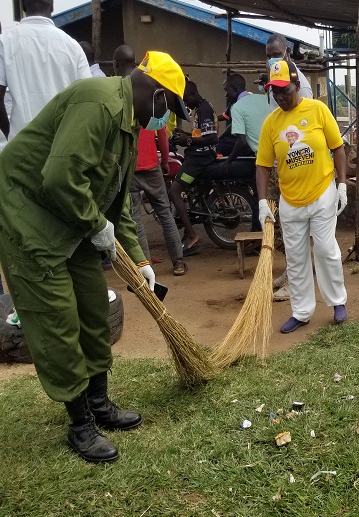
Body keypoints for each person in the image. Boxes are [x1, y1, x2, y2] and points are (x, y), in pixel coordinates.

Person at [0, 50, 190, 463]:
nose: (167, 120)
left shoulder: (126, 127)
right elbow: (58, 178)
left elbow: (116, 201)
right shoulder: (98, 101)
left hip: (72, 221)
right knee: (59, 319)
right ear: (156, 94)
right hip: (31, 217)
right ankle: (80, 423)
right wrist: (95, 224)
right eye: (169, 108)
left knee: (92, 307)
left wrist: (139, 261)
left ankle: (100, 403)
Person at [256, 61, 348, 333]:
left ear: (296, 85)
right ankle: (302, 311)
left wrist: (341, 185)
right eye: (275, 92)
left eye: (284, 90)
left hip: (321, 193)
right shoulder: (271, 123)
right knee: (295, 258)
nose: (280, 96)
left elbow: (338, 148)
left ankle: (337, 302)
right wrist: (262, 202)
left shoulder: (318, 110)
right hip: (290, 201)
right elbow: (262, 165)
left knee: (325, 249)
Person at [113, 44, 186, 277]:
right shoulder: (151, 95)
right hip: (151, 165)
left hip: (131, 168)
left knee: (136, 220)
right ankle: (179, 262)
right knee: (165, 212)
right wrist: (165, 159)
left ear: (116, 66)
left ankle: (145, 267)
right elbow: (162, 132)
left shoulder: (125, 94)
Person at [222, 73, 290, 302]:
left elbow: (240, 140)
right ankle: (292, 272)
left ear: (233, 88)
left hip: (274, 168)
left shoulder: (238, 108)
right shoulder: (266, 101)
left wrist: (228, 160)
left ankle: (294, 278)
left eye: (226, 90)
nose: (225, 94)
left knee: (280, 224)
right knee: (280, 222)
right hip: (280, 164)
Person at [0, 0, 91, 147]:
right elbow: (88, 100)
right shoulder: (73, 46)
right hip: (61, 149)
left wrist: (11, 137)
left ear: (23, 5)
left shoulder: (5, 42)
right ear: (52, 5)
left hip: (20, 151)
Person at [169, 80, 218, 255]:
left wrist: (187, 140)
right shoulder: (201, 108)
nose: (186, 104)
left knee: (174, 191)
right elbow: (202, 135)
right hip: (199, 156)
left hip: (200, 159)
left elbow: (212, 138)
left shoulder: (203, 110)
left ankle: (191, 234)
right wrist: (185, 135)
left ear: (192, 95)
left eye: (185, 100)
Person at [265, 33, 313, 113]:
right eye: (269, 56)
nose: (272, 60)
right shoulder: (275, 77)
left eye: (276, 55)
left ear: (287, 51)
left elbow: (307, 117)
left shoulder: (302, 86)